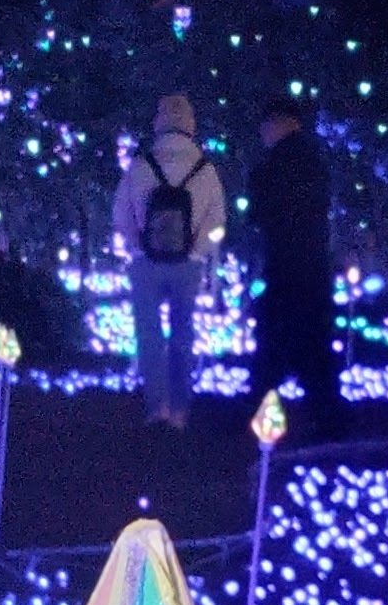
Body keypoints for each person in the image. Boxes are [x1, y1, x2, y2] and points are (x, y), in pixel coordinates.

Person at [113, 92, 225, 428]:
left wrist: (138, 244)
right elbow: (217, 219)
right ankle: (179, 408)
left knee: (148, 332)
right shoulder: (205, 169)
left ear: (159, 122)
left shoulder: (141, 165)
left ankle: (156, 405)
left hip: (145, 263)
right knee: (183, 332)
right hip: (187, 265)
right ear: (190, 123)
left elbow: (120, 213)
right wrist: (196, 250)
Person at [247, 96, 340, 435]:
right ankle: (327, 414)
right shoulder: (315, 163)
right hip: (312, 265)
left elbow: (258, 213)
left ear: (278, 123)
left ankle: (262, 404)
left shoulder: (274, 167)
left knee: (278, 340)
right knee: (311, 343)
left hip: (285, 264)